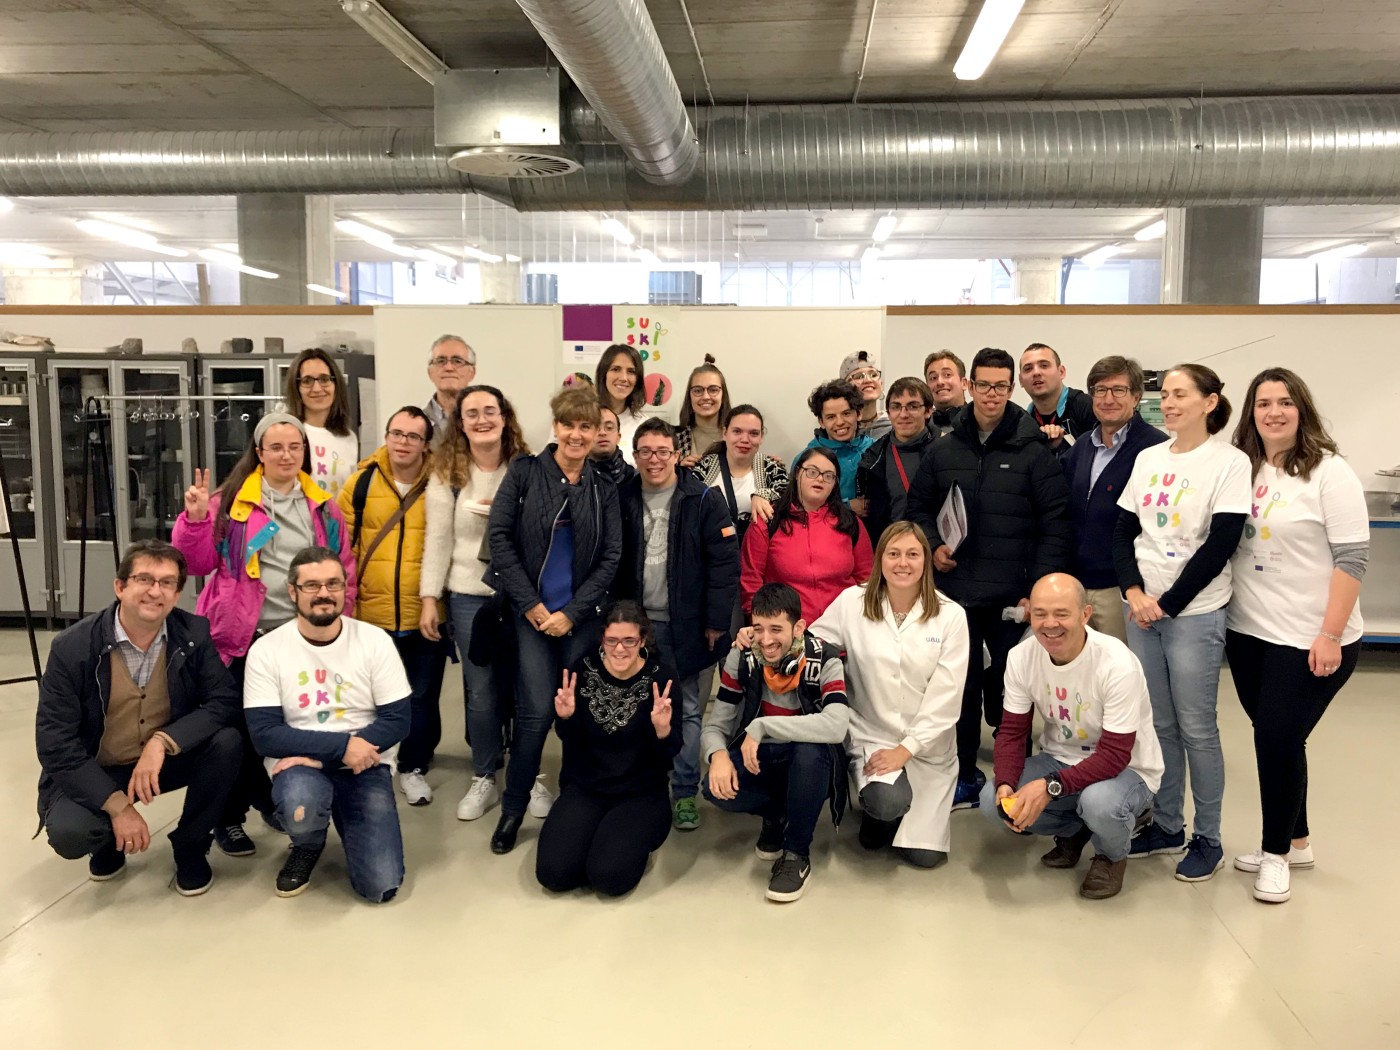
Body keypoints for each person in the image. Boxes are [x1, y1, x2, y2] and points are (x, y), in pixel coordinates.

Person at [173, 413, 356, 858]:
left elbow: (344, 574)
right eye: (276, 447)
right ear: (259, 453)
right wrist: (194, 520)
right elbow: (194, 564)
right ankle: (228, 818)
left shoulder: (323, 508)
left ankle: (275, 799)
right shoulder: (231, 504)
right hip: (241, 638)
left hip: (300, 639)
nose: (286, 455)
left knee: (288, 727)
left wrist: (336, 631)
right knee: (236, 732)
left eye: (294, 447)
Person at [1226, 368, 1368, 904]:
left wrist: (1330, 633)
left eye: (1285, 402)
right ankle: (1298, 841)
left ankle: (1275, 854)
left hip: (1311, 637)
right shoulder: (1243, 468)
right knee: (1280, 737)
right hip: (1248, 632)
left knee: (1277, 738)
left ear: (1302, 409)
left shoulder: (1330, 472)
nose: (1274, 412)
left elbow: (1352, 559)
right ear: (1251, 412)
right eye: (1263, 403)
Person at [908, 347, 1072, 810]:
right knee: (958, 690)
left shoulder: (1034, 451)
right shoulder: (943, 450)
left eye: (1001, 386)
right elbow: (918, 508)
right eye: (984, 384)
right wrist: (931, 545)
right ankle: (962, 773)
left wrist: (1037, 591)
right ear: (970, 386)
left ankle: (1010, 773)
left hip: (1011, 599)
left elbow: (1055, 525)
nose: (992, 394)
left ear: (1011, 388)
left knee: (1010, 690)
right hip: (955, 595)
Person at [35, 541, 242, 896]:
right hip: (99, 766)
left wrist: (163, 742)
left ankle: (191, 844)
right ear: (120, 586)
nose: (155, 591)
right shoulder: (72, 647)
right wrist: (118, 807)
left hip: (160, 764)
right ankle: (106, 841)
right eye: (144, 579)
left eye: (167, 582)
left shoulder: (193, 633)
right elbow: (55, 743)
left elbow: (222, 700)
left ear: (177, 594)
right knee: (72, 833)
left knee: (228, 743)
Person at [1113, 363, 1250, 882]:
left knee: (1197, 728)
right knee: (1160, 724)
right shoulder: (1148, 457)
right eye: (1164, 395)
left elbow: (1221, 543)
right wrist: (1133, 592)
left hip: (1193, 613)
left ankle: (1208, 838)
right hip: (1141, 610)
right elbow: (1123, 531)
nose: (1168, 404)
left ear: (1209, 402)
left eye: (1179, 395)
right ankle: (1168, 825)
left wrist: (1167, 604)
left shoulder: (1229, 462)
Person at [485, 387, 622, 855]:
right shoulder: (525, 473)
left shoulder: (603, 487)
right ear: (556, 427)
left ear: (598, 431)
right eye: (569, 425)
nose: (577, 434)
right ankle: (513, 809)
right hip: (531, 617)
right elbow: (499, 538)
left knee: (578, 715)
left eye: (587, 426)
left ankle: (573, 803)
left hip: (579, 619)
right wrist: (532, 606)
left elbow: (611, 557)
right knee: (535, 715)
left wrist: (572, 613)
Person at [980, 574, 1164, 900]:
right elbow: (1012, 732)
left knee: (1099, 803)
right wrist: (1006, 781)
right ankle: (1075, 829)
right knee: (990, 801)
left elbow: (1114, 755)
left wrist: (1050, 787)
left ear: (1085, 615)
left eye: (1061, 614)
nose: (1050, 624)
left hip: (1128, 769)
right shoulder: (1022, 657)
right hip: (1061, 758)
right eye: (1040, 614)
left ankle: (1111, 855)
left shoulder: (1116, 663)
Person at [243, 547, 410, 902]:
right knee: (301, 805)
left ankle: (345, 817)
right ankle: (308, 843)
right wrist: (341, 748)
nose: (324, 593)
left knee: (381, 887)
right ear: (292, 592)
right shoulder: (267, 650)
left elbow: (398, 720)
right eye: (312, 585)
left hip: (363, 762)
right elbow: (265, 735)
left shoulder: (374, 641)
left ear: (344, 588)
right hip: (301, 766)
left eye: (333, 584)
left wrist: (327, 757)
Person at [808, 522, 969, 869]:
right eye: (893, 554)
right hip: (872, 734)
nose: (902, 563)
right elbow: (811, 644)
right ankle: (878, 813)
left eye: (912, 554)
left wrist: (906, 749)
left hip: (928, 746)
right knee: (886, 802)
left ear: (926, 560)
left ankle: (898, 813)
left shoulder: (951, 616)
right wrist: (764, 638)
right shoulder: (852, 602)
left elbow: (946, 697)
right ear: (880, 558)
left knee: (925, 858)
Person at [616, 419, 740, 830]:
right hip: (635, 625)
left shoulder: (702, 499)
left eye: (662, 451)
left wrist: (716, 622)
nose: (654, 460)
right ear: (635, 456)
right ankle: (640, 785)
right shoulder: (622, 497)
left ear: (677, 455)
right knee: (635, 707)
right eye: (645, 452)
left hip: (684, 625)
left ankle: (684, 792)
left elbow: (725, 565)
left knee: (686, 710)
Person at [420, 385, 532, 821]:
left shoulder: (526, 467)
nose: (482, 420)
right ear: (460, 423)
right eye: (472, 414)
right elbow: (437, 542)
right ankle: (484, 775)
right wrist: (430, 598)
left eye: (490, 411)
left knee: (526, 689)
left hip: (520, 596)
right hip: (468, 597)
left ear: (505, 417)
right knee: (481, 692)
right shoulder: (447, 475)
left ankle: (528, 776)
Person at [702, 582, 849, 903]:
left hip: (811, 762)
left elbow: (837, 726)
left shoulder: (826, 658)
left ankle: (796, 854)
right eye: (758, 628)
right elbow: (716, 725)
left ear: (799, 628)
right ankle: (777, 815)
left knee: (808, 752)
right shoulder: (741, 657)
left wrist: (763, 726)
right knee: (713, 786)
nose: (766, 640)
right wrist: (717, 755)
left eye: (776, 629)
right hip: (762, 757)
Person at [338, 405, 447, 808]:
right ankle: (372, 762)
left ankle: (414, 766)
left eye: (413, 436)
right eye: (397, 433)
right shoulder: (361, 482)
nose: (403, 443)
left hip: (426, 614)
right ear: (386, 436)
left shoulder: (441, 482)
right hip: (370, 614)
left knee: (421, 697)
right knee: (371, 697)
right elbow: (342, 547)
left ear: (426, 444)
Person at [536, 602, 682, 897]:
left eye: (629, 641)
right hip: (587, 788)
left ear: (643, 640)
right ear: (602, 638)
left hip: (640, 795)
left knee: (609, 878)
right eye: (612, 640)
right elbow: (570, 740)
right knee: (554, 874)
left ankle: (630, 845)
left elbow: (670, 751)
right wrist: (566, 718)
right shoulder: (582, 670)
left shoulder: (661, 679)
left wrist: (662, 729)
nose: (620, 649)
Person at [1062, 356, 1168, 643]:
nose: (1108, 399)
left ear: (1136, 397)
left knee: (1121, 665)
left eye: (1119, 390)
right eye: (1100, 390)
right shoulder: (1082, 446)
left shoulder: (1156, 449)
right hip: (1077, 585)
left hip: (1123, 589)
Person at [693, 403, 790, 703]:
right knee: (704, 652)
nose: (744, 439)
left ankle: (738, 716)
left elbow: (788, 498)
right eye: (737, 431)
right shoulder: (703, 468)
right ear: (724, 433)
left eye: (753, 433)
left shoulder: (771, 469)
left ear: (762, 437)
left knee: (741, 649)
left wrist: (763, 494)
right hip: (708, 572)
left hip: (751, 574)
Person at [740, 446, 873, 625]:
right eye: (812, 472)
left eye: (828, 476)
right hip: (786, 630)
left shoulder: (850, 523)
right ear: (797, 473)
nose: (820, 479)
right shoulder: (768, 519)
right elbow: (751, 580)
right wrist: (761, 625)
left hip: (843, 628)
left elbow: (866, 579)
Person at [856, 377, 937, 541]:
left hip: (937, 547)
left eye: (913, 406)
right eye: (896, 407)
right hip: (892, 546)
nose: (903, 414)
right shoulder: (874, 458)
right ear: (888, 412)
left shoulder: (945, 451)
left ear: (928, 410)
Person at [283, 348, 360, 498]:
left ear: (336, 384)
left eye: (324, 379)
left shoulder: (348, 437)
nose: (317, 388)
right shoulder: (287, 434)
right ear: (296, 388)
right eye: (307, 381)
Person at [803, 379, 874, 504]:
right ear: (821, 422)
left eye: (846, 414)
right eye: (831, 417)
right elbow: (801, 505)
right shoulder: (808, 459)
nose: (840, 422)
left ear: (858, 414)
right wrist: (848, 506)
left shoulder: (876, 448)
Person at [1019, 343, 1097, 456]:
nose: (1036, 372)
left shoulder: (1088, 407)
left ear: (1061, 372)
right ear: (1021, 380)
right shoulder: (1022, 422)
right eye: (1028, 369)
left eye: (1044, 365)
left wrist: (1062, 446)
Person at [595, 343, 648, 464]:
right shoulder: (581, 418)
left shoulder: (644, 425)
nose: (624, 378)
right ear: (603, 374)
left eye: (631, 371)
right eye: (615, 369)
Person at [676, 354, 731, 468]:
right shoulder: (675, 439)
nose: (706, 396)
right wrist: (678, 470)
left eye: (713, 390)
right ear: (689, 396)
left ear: (723, 394)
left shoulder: (736, 437)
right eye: (698, 390)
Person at [424, 334, 477, 439]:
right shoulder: (414, 422)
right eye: (440, 361)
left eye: (457, 361)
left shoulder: (485, 420)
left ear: (472, 373)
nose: (449, 368)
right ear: (430, 373)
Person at [840, 349, 891, 439]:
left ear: (881, 384)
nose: (868, 380)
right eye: (859, 376)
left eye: (873, 375)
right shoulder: (839, 429)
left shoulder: (896, 426)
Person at [590, 405, 637, 486]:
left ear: (618, 437)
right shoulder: (574, 479)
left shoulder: (636, 479)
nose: (602, 432)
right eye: (596, 428)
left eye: (609, 427)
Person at [924, 350, 968, 435]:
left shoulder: (982, 422)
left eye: (947, 375)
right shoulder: (920, 430)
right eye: (933, 378)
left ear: (964, 383)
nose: (940, 382)